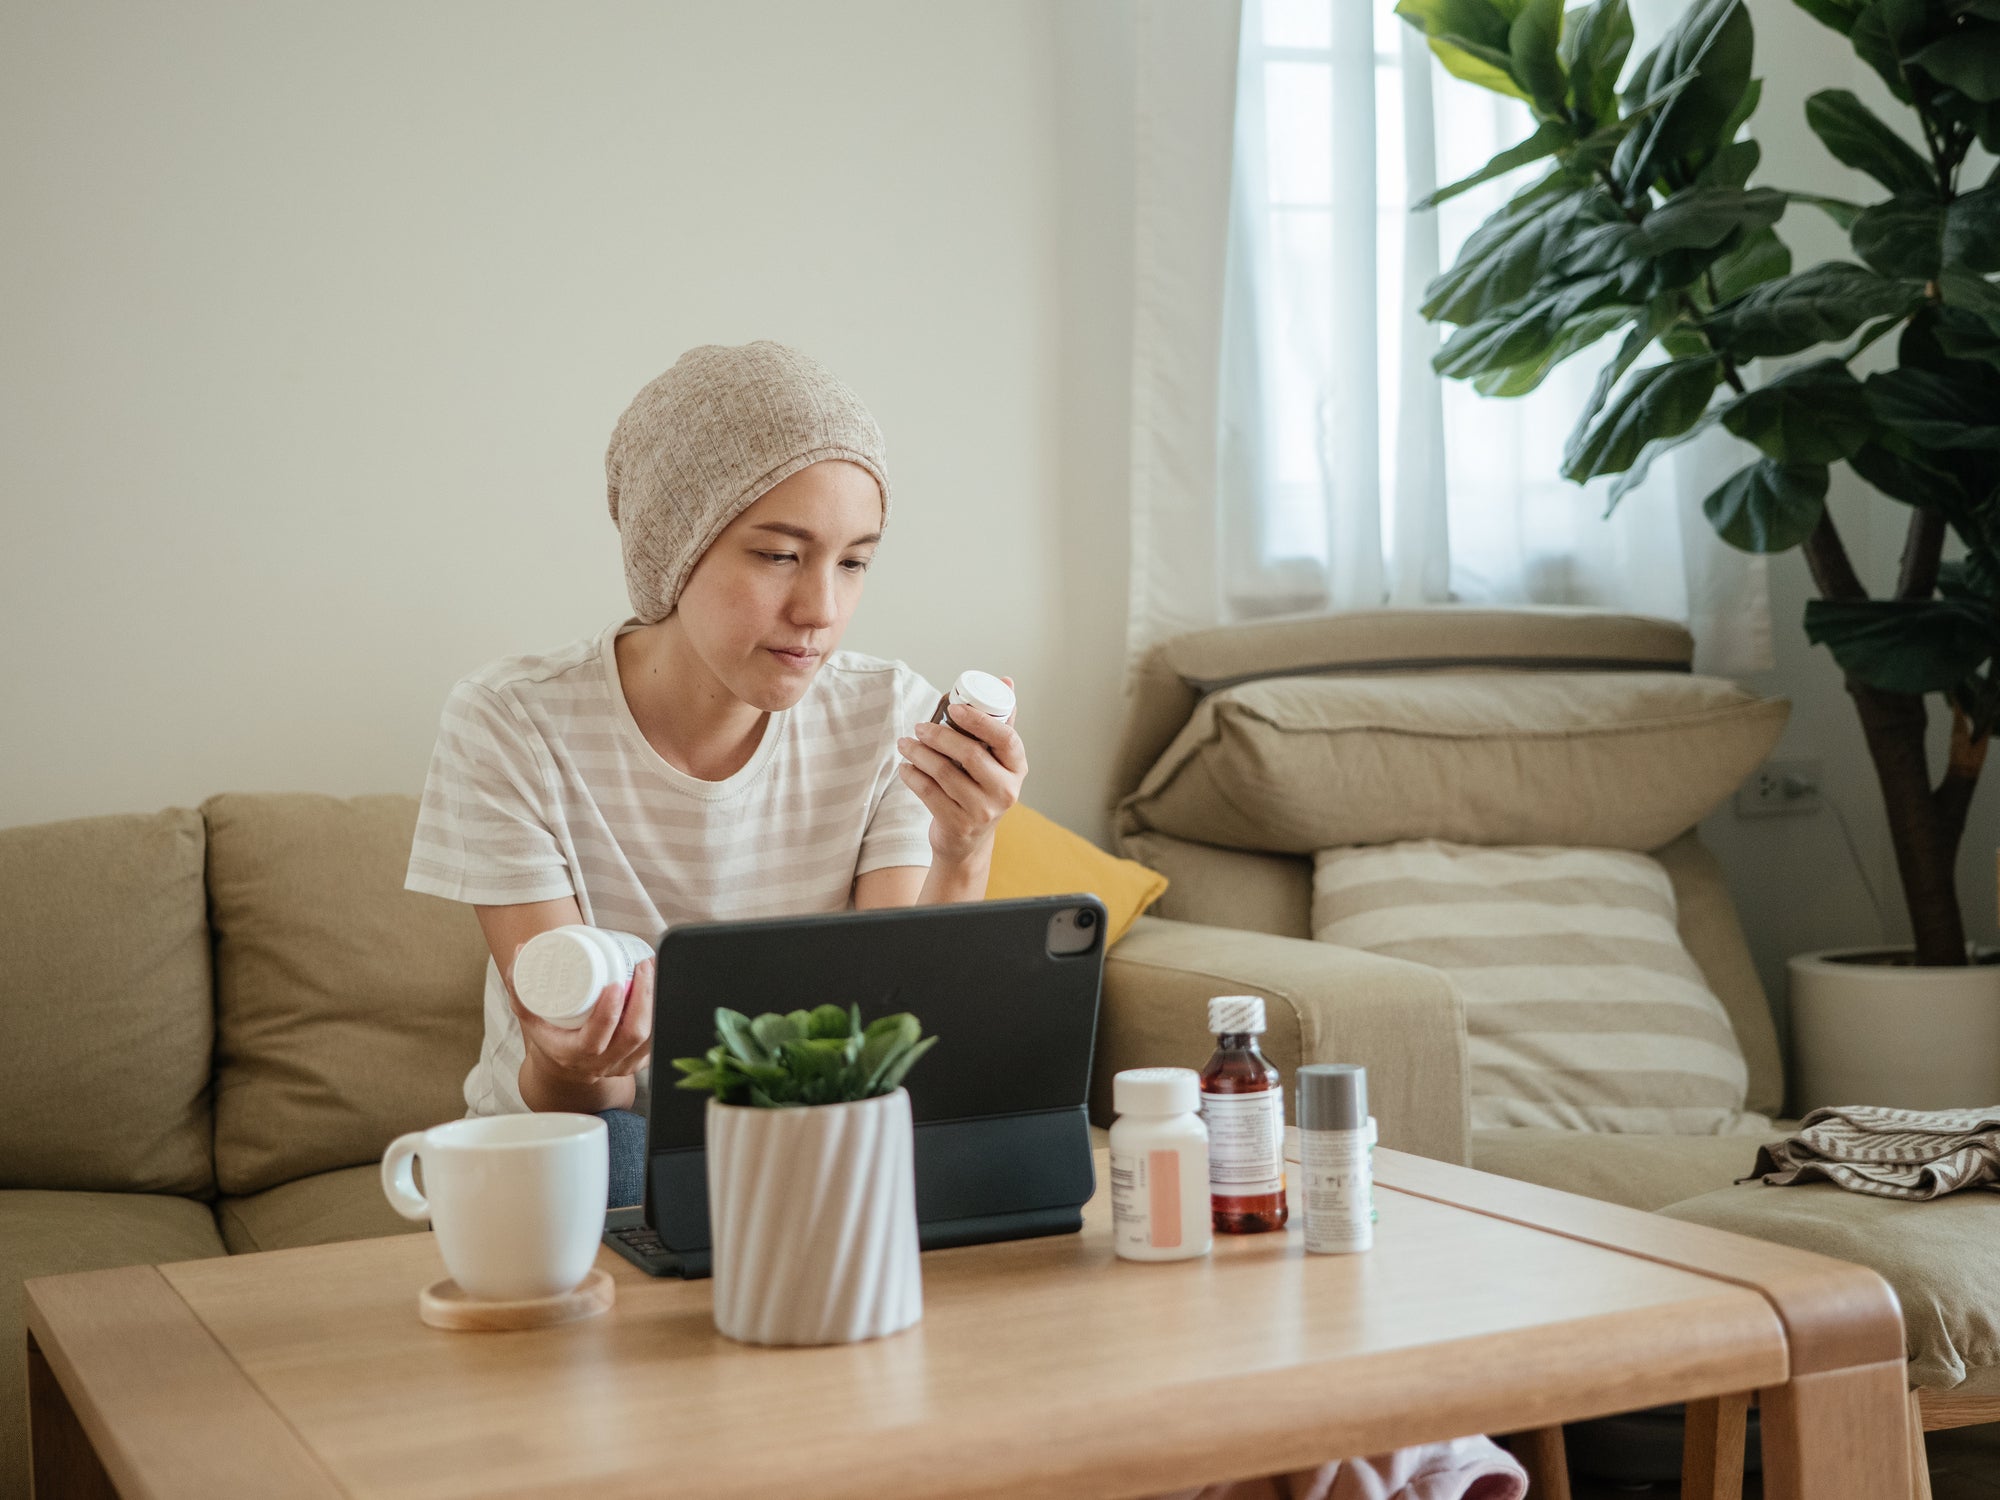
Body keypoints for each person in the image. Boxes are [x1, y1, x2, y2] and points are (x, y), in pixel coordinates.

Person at [403, 341, 1026, 1205]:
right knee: (614, 1163)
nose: (821, 611)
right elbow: (586, 1094)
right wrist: (571, 1055)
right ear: (673, 549)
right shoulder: (512, 722)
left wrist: (963, 850)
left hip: (803, 1118)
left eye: (853, 562)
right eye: (778, 555)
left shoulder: (887, 715)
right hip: (570, 1138)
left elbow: (898, 1046)